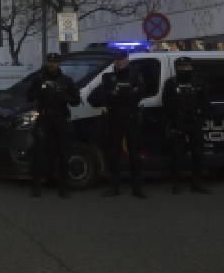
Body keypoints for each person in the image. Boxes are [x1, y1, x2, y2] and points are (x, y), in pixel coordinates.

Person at [88, 49, 146, 198]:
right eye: (117, 59)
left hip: (131, 118)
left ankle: (137, 188)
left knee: (135, 154)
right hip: (114, 119)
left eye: (122, 59)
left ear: (127, 59)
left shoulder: (135, 75)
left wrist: (123, 94)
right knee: (114, 154)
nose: (119, 62)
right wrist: (113, 94)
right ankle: (114, 187)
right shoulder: (108, 77)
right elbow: (96, 97)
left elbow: (140, 94)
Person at [26, 53, 81, 198]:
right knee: (39, 153)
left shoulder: (66, 80)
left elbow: (76, 101)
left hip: (61, 119)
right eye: (50, 62)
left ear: (59, 63)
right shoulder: (39, 79)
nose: (52, 64)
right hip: (44, 118)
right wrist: (41, 90)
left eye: (55, 62)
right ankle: (37, 186)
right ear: (46, 62)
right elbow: (29, 96)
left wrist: (63, 94)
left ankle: (63, 187)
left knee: (63, 154)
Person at [162, 56, 210, 194]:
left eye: (187, 66)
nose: (184, 69)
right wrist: (173, 120)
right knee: (176, 156)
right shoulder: (171, 83)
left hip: (195, 123)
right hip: (178, 124)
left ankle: (197, 184)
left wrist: (200, 117)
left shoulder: (199, 83)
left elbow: (206, 103)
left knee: (198, 155)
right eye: (181, 67)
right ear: (177, 68)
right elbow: (166, 103)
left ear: (191, 67)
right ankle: (176, 185)